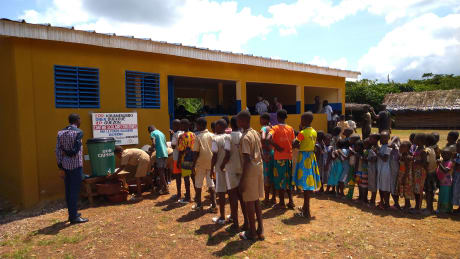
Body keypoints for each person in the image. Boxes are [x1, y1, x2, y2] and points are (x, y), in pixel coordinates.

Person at [237, 110, 264, 241]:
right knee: (256, 200)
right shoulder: (255, 133)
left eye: (238, 120)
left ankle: (252, 233)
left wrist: (242, 180)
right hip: (258, 168)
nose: (237, 122)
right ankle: (260, 229)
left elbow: (246, 160)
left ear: (243, 121)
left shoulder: (246, 137)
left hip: (250, 171)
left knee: (248, 202)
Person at [55, 114, 88, 224]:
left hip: (65, 165)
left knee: (68, 191)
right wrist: (69, 152)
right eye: (80, 120)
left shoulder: (60, 133)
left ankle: (72, 214)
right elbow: (75, 151)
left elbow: (58, 151)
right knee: (74, 191)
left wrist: (60, 166)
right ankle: (74, 217)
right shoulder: (78, 132)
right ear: (77, 120)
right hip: (75, 166)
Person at [292, 112, 321, 218]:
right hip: (311, 157)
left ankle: (307, 211)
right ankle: (305, 207)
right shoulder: (314, 132)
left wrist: (299, 133)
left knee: (305, 185)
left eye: (301, 119)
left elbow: (295, 144)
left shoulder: (302, 132)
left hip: (303, 157)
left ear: (304, 121)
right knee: (307, 182)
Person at [269, 109, 296, 209]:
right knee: (288, 180)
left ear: (277, 117)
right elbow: (293, 142)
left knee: (279, 180)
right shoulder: (290, 128)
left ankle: (281, 202)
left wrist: (276, 146)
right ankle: (291, 201)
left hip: (279, 158)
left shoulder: (275, 128)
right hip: (289, 157)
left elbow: (267, 137)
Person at [191, 117, 217, 211]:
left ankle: (198, 204)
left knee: (198, 184)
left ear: (201, 125)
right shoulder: (213, 135)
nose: (196, 126)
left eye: (197, 125)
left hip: (201, 163)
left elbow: (196, 152)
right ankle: (214, 205)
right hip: (211, 163)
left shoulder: (198, 137)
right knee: (211, 184)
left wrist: (193, 165)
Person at [211, 119, 233, 224]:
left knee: (221, 192)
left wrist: (212, 168)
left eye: (216, 125)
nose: (215, 127)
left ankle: (222, 217)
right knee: (231, 192)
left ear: (220, 126)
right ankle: (233, 215)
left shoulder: (215, 139)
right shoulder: (230, 137)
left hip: (220, 168)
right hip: (230, 168)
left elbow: (214, 156)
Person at [177, 119, 195, 203]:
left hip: (185, 159)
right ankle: (197, 196)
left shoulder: (182, 136)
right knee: (194, 178)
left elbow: (180, 150)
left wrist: (178, 161)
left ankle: (188, 197)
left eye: (181, 125)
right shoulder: (193, 134)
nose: (180, 126)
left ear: (185, 126)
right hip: (194, 159)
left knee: (186, 179)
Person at [148, 125, 169, 195]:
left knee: (160, 172)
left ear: (150, 129)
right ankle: (163, 187)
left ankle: (166, 188)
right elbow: (165, 144)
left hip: (159, 153)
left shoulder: (153, 133)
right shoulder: (161, 133)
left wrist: (151, 149)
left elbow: (154, 143)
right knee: (163, 171)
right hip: (165, 153)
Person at [260, 113, 275, 204]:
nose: (260, 121)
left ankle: (266, 198)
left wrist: (264, 146)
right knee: (272, 176)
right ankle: (273, 198)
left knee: (267, 177)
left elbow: (263, 138)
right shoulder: (272, 127)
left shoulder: (264, 128)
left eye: (261, 119)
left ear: (265, 120)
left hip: (266, 154)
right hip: (273, 153)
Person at [412, 133, 428, 213]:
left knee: (419, 190)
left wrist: (416, 161)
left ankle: (418, 207)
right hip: (415, 171)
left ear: (421, 141)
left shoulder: (423, 151)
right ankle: (416, 206)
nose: (414, 140)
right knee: (416, 189)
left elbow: (424, 163)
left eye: (416, 139)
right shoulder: (417, 149)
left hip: (420, 172)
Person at [436, 147, 454, 214]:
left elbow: (445, 171)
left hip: (447, 183)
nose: (444, 156)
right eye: (443, 154)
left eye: (446, 154)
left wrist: (439, 164)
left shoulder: (449, 162)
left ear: (450, 155)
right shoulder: (443, 161)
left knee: (445, 196)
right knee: (442, 195)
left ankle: (445, 209)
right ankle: (442, 208)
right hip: (442, 182)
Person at [376, 131, 392, 209]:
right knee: (381, 186)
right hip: (381, 169)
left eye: (385, 137)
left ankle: (387, 203)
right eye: (381, 137)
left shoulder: (388, 147)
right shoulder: (382, 146)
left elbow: (385, 159)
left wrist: (377, 153)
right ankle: (382, 201)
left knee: (385, 187)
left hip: (386, 170)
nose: (382, 139)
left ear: (388, 138)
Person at [397, 141, 414, 210]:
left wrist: (404, 177)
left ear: (407, 149)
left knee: (406, 190)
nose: (400, 148)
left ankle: (408, 205)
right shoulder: (402, 156)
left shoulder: (407, 157)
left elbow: (407, 169)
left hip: (406, 176)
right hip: (402, 174)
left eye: (402, 147)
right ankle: (406, 204)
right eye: (400, 146)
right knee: (404, 190)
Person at [424, 134, 438, 214]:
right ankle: (430, 207)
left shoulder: (427, 150)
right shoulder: (433, 149)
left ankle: (428, 208)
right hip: (433, 172)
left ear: (427, 142)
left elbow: (426, 162)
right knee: (431, 191)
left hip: (428, 173)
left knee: (428, 191)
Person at [170, 119, 183, 200]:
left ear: (177, 126)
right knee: (186, 177)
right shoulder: (183, 133)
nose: (173, 127)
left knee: (178, 177)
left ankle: (179, 194)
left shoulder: (175, 135)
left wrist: (172, 135)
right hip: (184, 158)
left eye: (174, 125)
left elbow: (173, 146)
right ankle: (188, 194)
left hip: (177, 158)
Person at [367, 133, 380, 207]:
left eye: (371, 138)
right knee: (372, 183)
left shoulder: (377, 148)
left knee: (373, 184)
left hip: (374, 168)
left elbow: (374, 159)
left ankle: (373, 200)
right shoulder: (372, 147)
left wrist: (369, 159)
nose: (369, 140)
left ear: (375, 140)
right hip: (371, 168)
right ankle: (372, 198)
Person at [389, 136, 401, 209]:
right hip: (393, 172)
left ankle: (396, 204)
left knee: (394, 189)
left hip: (395, 173)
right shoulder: (392, 150)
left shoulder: (397, 150)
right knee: (393, 188)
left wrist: (394, 139)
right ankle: (396, 203)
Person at [452, 141, 460, 213]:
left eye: (458, 147)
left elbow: (457, 166)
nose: (456, 148)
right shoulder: (457, 154)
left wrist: (453, 160)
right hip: (456, 176)